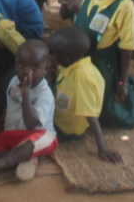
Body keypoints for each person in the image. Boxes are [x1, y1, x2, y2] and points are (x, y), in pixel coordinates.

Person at [58, 0, 134, 128]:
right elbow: (87, 17)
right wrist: (71, 5)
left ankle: (131, 87)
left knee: (105, 114)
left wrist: (121, 82)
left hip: (101, 63)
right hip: (81, 57)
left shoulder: (124, 7)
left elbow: (127, 47)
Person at [0, 39, 57, 183]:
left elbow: (31, 124)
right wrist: (0, 125)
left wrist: (26, 95)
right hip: (13, 135)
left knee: (39, 140)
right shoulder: (14, 81)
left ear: (45, 69)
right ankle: (24, 158)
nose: (26, 71)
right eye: (21, 64)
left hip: (37, 135)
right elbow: (10, 105)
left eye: (34, 67)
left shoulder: (45, 94)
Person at [49, 26, 122, 164]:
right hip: (60, 113)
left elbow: (90, 115)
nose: (51, 56)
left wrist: (102, 148)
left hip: (66, 129)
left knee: (32, 129)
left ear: (66, 58)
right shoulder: (71, 64)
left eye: (54, 54)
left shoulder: (82, 77)